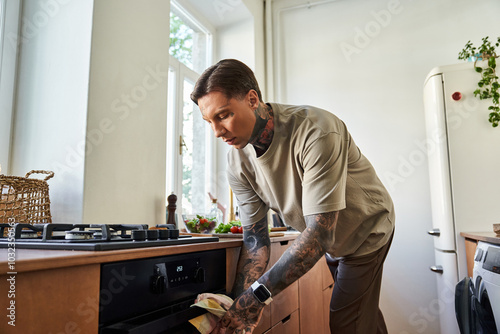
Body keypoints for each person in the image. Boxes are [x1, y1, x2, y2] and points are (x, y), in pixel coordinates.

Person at [190, 59, 395, 334]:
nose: (216, 131)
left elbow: (320, 234)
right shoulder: (237, 162)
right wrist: (239, 304)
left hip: (367, 228)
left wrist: (256, 299)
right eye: (209, 121)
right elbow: (254, 241)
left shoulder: (316, 130)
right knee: (361, 314)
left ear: (252, 99)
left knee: (346, 323)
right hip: (334, 238)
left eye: (223, 115)